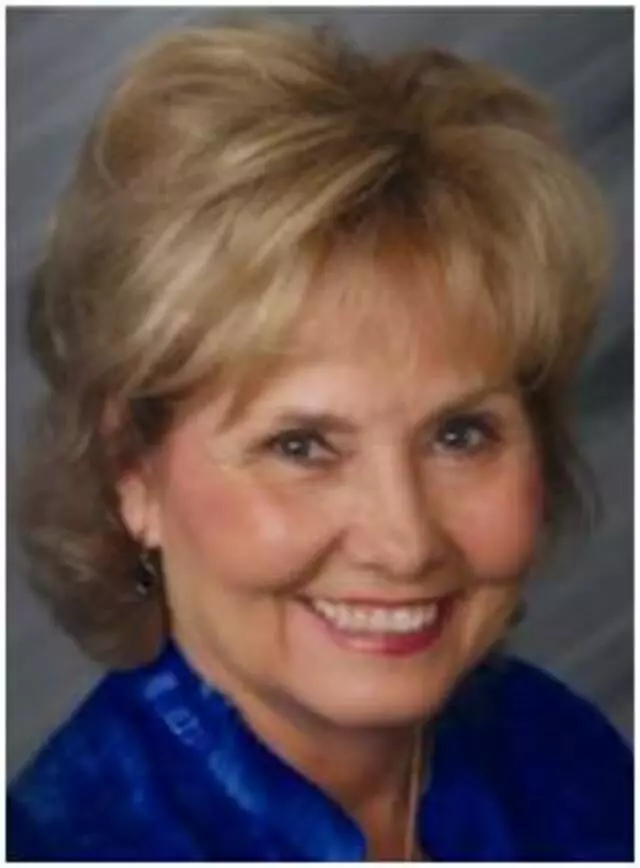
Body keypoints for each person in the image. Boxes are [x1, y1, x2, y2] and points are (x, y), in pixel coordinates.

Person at [7, 21, 632, 861]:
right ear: (133, 473)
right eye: (301, 446)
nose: (404, 542)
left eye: (459, 434)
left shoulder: (568, 759)